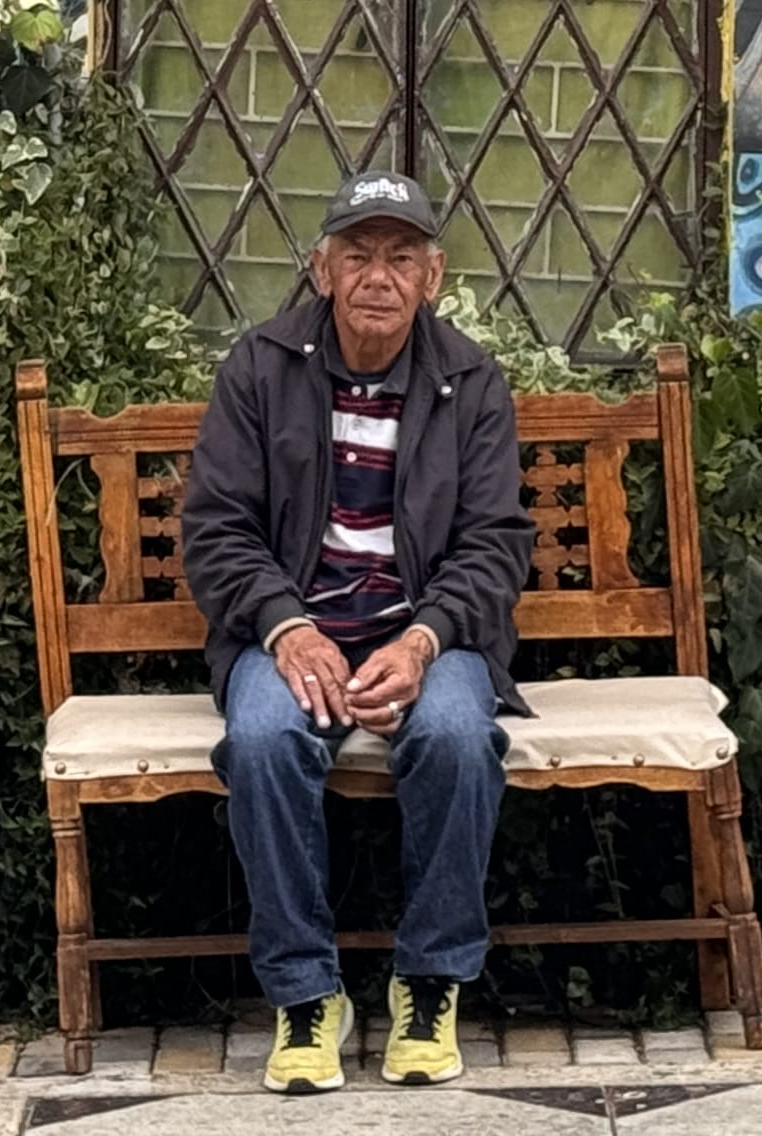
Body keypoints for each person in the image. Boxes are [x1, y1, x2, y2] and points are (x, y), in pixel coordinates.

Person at [180, 170, 533, 1094]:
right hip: (290, 633)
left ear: (433, 276)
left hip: (428, 636)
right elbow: (216, 530)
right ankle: (305, 995)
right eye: (358, 255)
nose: (378, 276)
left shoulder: (470, 380)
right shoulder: (258, 368)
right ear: (322, 269)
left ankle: (429, 981)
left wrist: (423, 642)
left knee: (458, 736)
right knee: (259, 738)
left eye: (400, 257)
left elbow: (497, 544)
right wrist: (285, 626)